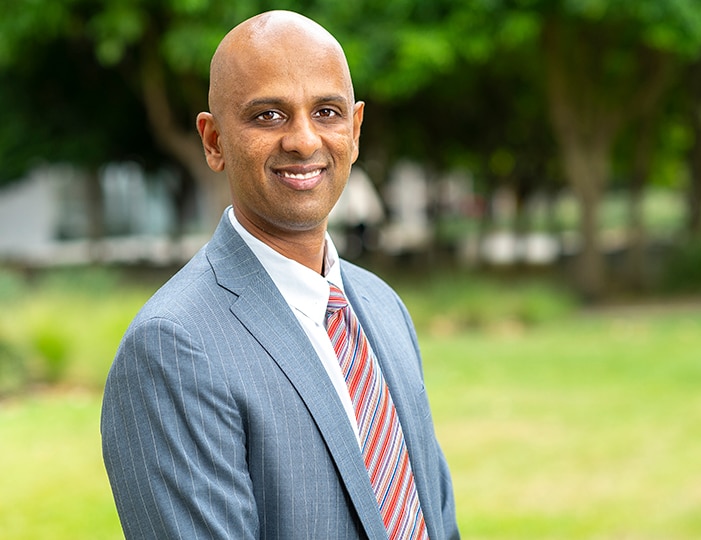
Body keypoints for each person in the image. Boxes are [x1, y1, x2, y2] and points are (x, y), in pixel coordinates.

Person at [100, 10, 459, 540]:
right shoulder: (173, 348)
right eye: (268, 115)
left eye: (327, 111)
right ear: (214, 141)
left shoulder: (382, 307)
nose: (304, 140)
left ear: (355, 132)